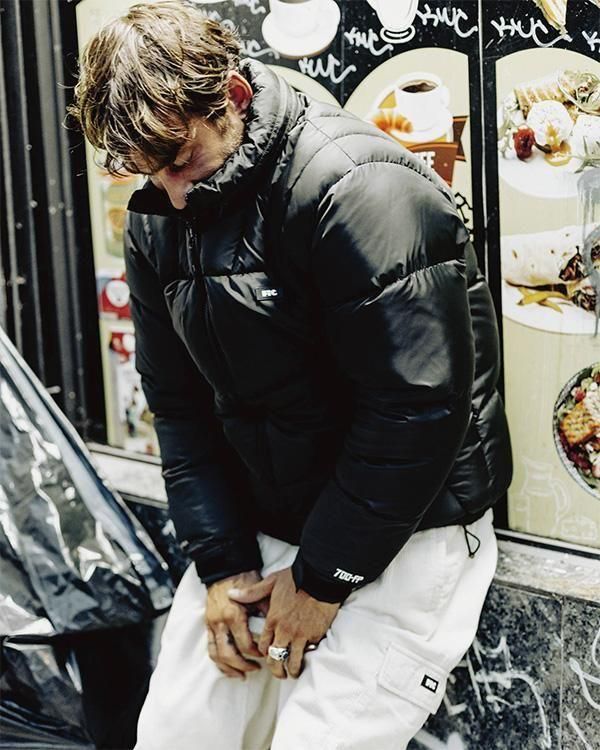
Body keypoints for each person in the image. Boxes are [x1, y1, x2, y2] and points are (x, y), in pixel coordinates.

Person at [70, 3, 512, 748]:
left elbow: (416, 409)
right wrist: (221, 565)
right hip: (266, 517)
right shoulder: (158, 212)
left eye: (179, 160)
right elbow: (177, 404)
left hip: (409, 527)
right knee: (177, 735)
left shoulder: (361, 187)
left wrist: (322, 580)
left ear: (233, 98)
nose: (170, 192)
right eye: (147, 171)